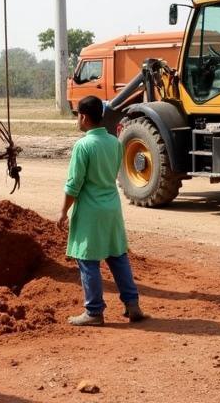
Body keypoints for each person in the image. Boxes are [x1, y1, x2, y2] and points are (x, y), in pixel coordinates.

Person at [57, 94, 146, 326]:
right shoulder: (114, 142)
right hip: (112, 208)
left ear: (84, 118)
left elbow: (74, 185)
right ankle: (132, 304)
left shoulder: (83, 146)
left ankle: (94, 311)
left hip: (90, 211)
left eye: (78, 116)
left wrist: (63, 212)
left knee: (88, 260)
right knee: (118, 257)